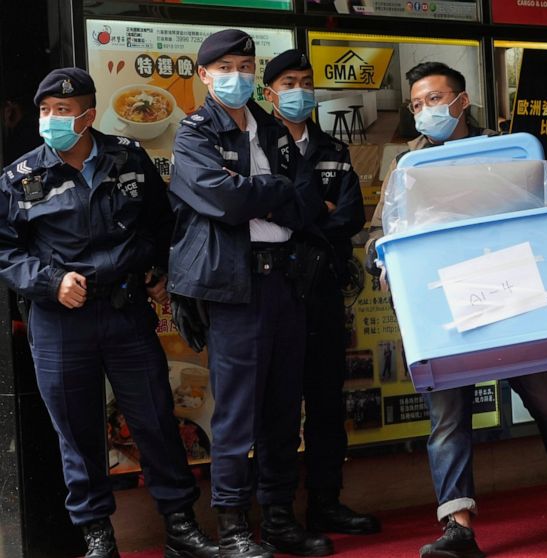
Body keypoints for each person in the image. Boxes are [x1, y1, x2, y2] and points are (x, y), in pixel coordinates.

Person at [365, 61, 547, 558]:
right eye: (418, 103)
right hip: (443, 305)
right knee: (447, 417)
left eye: (434, 99)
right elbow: (378, 234)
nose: (427, 110)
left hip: (514, 295)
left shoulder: (508, 152)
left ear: (461, 101)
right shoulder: (405, 167)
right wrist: (376, 258)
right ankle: (458, 528)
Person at [0, 68, 215, 558]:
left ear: (88, 115)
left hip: (124, 312)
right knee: (76, 432)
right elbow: (5, 249)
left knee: (156, 419)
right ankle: (97, 536)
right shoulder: (21, 177)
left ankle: (181, 526)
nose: (51, 119)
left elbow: (161, 223)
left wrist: (158, 267)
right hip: (59, 321)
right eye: (45, 110)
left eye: (63, 111)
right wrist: (50, 281)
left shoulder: (129, 157)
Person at [168, 30, 331, 557]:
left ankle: (279, 517)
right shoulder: (194, 132)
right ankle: (235, 527)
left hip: (287, 279)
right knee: (236, 412)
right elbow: (222, 201)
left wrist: (260, 196)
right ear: (204, 75)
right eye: (225, 67)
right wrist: (267, 195)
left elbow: (305, 196)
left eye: (244, 65)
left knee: (285, 406)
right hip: (235, 287)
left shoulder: (271, 125)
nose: (236, 76)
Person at [261, 48, 381, 536]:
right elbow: (262, 211)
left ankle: (327, 501)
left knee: (328, 402)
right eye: (289, 82)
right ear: (268, 93)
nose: (300, 91)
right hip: (275, 290)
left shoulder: (332, 148)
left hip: (325, 290)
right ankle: (278, 513)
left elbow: (349, 216)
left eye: (306, 81)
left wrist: (299, 214)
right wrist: (313, 212)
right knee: (280, 406)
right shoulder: (259, 145)